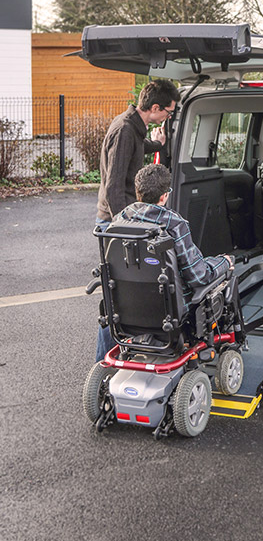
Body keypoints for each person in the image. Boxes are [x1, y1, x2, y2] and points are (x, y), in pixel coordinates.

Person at [95, 164, 232, 359]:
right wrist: (224, 263)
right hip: (169, 311)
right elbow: (198, 276)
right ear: (164, 195)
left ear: (138, 192)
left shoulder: (118, 222)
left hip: (125, 309)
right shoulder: (174, 224)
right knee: (221, 274)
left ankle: (102, 363)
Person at [95, 78, 181, 359]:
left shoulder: (132, 127)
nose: (168, 116)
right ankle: (104, 362)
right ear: (154, 108)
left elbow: (135, 150)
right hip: (116, 224)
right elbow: (113, 186)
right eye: (168, 112)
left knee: (131, 296)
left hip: (123, 222)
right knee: (118, 299)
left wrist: (156, 146)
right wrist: (126, 227)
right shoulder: (124, 130)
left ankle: (126, 355)